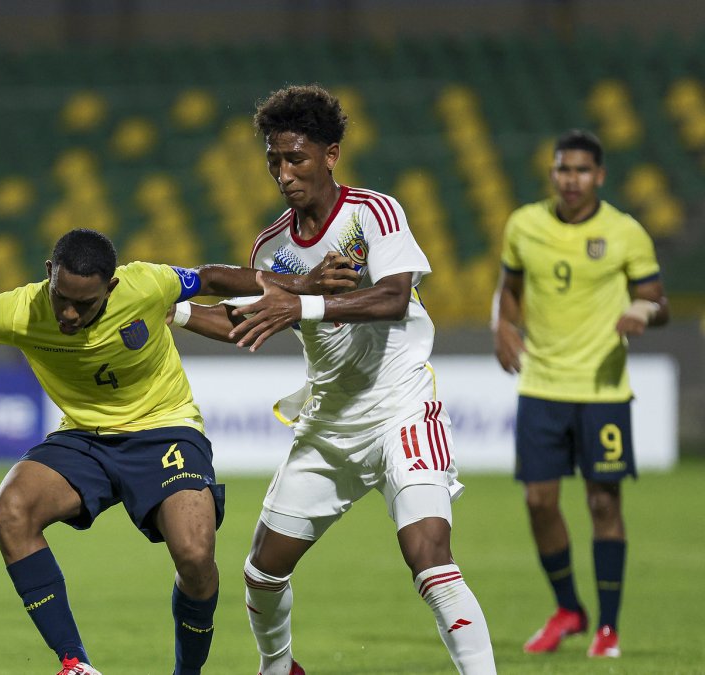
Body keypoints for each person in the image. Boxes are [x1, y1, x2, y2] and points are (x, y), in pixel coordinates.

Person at [0, 228, 335, 675]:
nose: (69, 314)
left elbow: (215, 278)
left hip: (166, 430)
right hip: (83, 437)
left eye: (85, 304)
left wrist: (298, 287)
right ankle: (75, 664)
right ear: (49, 273)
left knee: (195, 554)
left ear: (112, 285)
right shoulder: (18, 309)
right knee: (9, 510)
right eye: (61, 297)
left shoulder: (147, 283)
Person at [172, 84, 496, 674]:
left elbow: (395, 297)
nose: (284, 173)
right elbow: (247, 321)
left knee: (428, 555)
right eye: (273, 159)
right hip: (328, 425)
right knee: (261, 573)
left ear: (330, 154)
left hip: (401, 410)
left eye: (296, 157)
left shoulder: (371, 213)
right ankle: (279, 668)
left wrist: (305, 307)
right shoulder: (271, 248)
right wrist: (172, 311)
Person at [492, 129, 668, 659]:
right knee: (539, 501)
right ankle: (569, 608)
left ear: (600, 176)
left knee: (602, 502)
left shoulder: (625, 232)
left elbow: (658, 300)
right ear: (552, 173)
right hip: (541, 385)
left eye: (582, 171)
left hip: (603, 390)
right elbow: (510, 287)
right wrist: (503, 325)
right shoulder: (524, 224)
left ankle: (608, 629)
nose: (572, 180)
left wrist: (644, 311)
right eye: (563, 170)